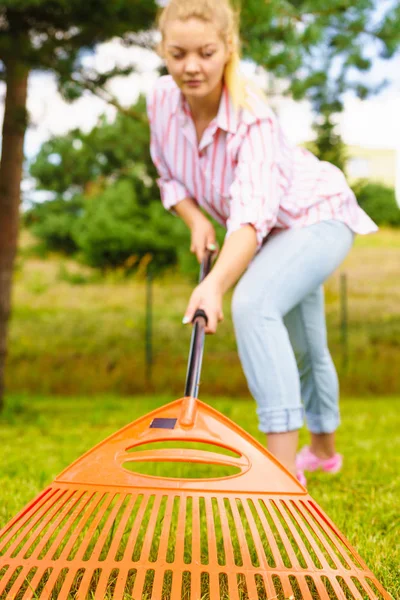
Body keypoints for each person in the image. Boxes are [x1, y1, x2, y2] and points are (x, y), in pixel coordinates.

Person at [146, 0, 377, 485]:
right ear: (162, 51)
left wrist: (215, 287)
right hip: (267, 233)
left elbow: (250, 220)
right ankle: (323, 453)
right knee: (305, 344)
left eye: (206, 52)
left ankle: (282, 478)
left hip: (316, 218)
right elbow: (169, 176)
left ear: (228, 48)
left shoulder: (252, 118)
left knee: (253, 304)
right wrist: (194, 220)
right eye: (178, 53)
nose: (191, 66)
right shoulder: (161, 102)